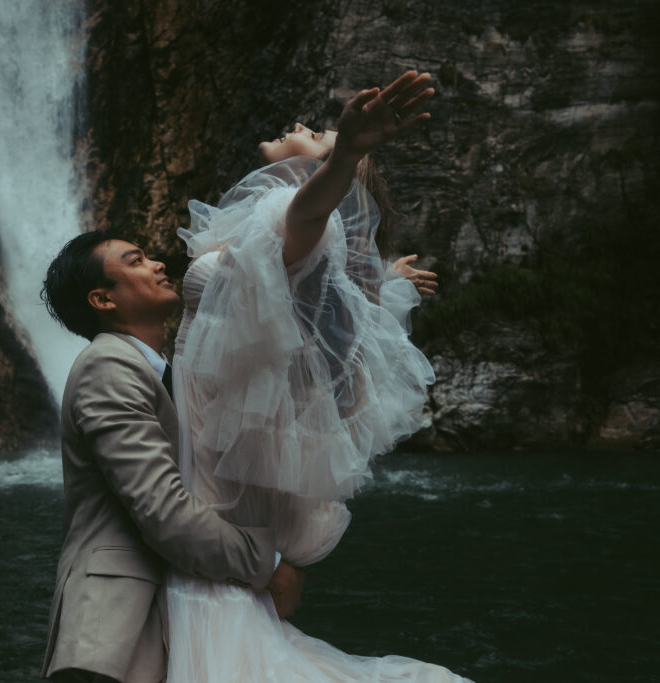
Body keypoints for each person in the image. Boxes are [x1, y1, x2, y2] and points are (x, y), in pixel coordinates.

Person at [165, 70, 473, 681]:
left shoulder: (299, 216)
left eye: (319, 136)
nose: (302, 127)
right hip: (209, 483)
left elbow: (306, 217)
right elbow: (320, 328)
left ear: (327, 176)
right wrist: (380, 288)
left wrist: (349, 154)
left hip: (205, 499)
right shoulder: (287, 244)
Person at [38, 232, 308, 683]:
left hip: (173, 613)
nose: (158, 263)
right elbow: (162, 509)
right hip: (115, 631)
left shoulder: (164, 371)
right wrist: (270, 565)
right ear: (103, 299)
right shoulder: (108, 366)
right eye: (136, 261)